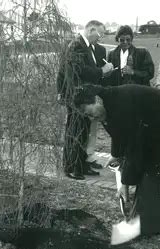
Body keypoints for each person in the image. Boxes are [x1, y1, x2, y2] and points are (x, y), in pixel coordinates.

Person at [78, 84, 160, 244]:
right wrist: (116, 155)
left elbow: (134, 148)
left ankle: (159, 221)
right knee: (150, 171)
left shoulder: (122, 104)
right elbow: (119, 133)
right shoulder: (109, 100)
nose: (91, 119)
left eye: (90, 113)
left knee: (155, 176)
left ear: (97, 100)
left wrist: (125, 183)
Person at [57, 20, 114, 180]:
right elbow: (79, 70)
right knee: (76, 131)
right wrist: (102, 71)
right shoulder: (77, 45)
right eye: (100, 34)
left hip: (83, 96)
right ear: (91, 29)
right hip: (77, 97)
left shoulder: (84, 45)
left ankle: (80, 165)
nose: (100, 37)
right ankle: (73, 167)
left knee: (83, 131)